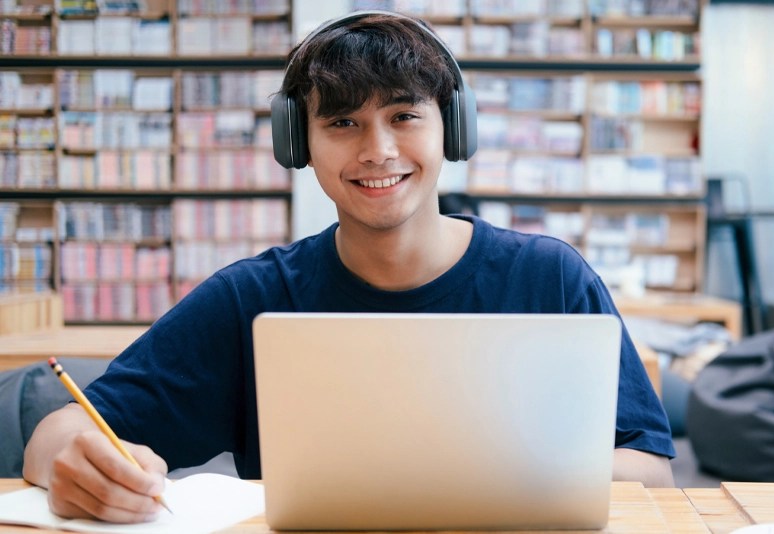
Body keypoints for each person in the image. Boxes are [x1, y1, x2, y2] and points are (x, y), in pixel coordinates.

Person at [23, 10, 675, 523]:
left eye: (403, 115)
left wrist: (482, 480)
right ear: (297, 142)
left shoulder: (548, 278)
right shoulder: (255, 298)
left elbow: (652, 473)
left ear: (451, 128)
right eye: (343, 122)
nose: (379, 150)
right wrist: (75, 464)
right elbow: (58, 433)